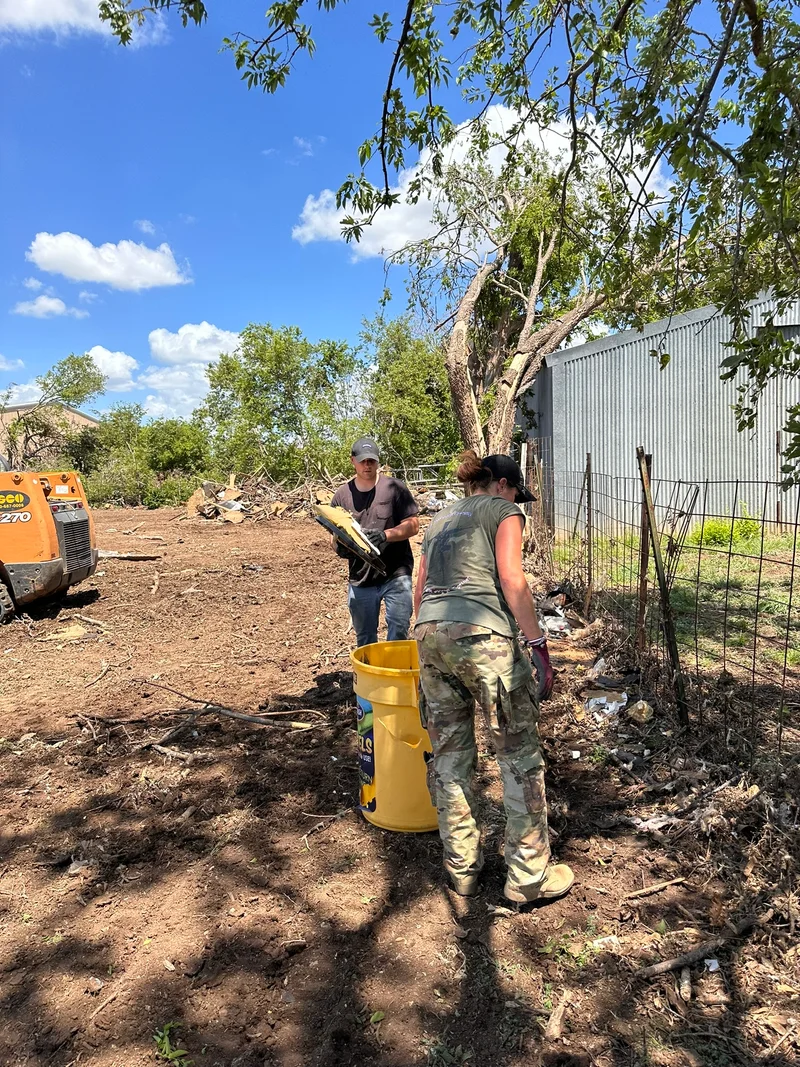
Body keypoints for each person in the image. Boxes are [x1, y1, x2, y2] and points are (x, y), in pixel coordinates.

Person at [414, 450, 574, 906]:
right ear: (503, 484)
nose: (518, 500)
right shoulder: (506, 511)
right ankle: (527, 877)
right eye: (517, 492)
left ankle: (462, 869)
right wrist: (538, 644)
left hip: (429, 637)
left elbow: (422, 586)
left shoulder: (440, 519)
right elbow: (511, 578)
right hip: (484, 639)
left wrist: (426, 645)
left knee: (449, 756)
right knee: (518, 754)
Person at [331, 436, 420, 648]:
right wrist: (340, 548)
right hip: (361, 578)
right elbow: (333, 537)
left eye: (371, 460)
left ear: (378, 461)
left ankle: (394, 677)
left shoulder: (395, 488)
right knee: (364, 638)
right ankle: (370, 679)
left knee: (398, 629)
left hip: (396, 574)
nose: (367, 465)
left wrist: (385, 535)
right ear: (353, 461)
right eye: (362, 460)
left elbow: (413, 525)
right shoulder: (342, 496)